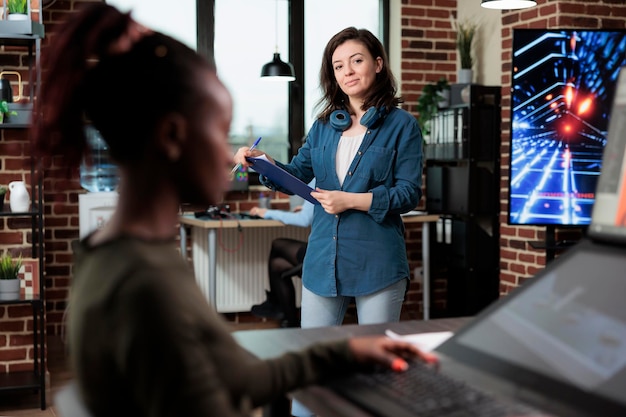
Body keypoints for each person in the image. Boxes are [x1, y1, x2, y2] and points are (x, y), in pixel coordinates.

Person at [31, 5, 429, 416]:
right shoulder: (143, 283)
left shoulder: (129, 259)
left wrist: (342, 353)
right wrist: (267, 165)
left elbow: (236, 378)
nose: (228, 154)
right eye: (220, 130)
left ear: (378, 65)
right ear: (173, 136)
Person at [235, 27, 423, 415]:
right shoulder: (323, 125)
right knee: (312, 368)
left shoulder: (402, 125)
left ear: (378, 63)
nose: (348, 71)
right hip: (323, 261)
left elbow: (408, 194)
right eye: (338, 65)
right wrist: (262, 164)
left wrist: (351, 200)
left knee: (375, 374)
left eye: (356, 60)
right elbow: (297, 174)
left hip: (378, 263)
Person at [249, 181, 315, 328]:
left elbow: (304, 220)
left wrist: (267, 213)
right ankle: (288, 319)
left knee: (277, 244)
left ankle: (279, 307)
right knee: (277, 264)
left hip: (320, 254)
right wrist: (306, 208)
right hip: (328, 249)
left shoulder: (318, 176)